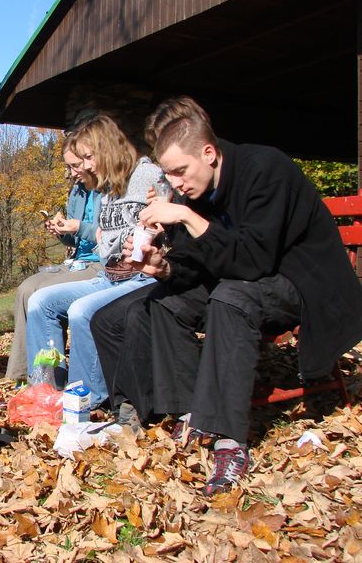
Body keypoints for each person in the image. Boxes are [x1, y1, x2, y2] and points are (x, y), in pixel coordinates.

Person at [92, 97, 362, 495]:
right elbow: (193, 262)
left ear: (209, 153)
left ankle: (229, 441)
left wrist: (185, 216)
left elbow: (253, 260)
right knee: (167, 301)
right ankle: (191, 413)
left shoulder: (265, 170)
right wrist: (163, 267)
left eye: (181, 172)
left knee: (231, 298)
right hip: (248, 279)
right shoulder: (194, 193)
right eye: (171, 175)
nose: (177, 184)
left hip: (303, 281)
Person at [24, 115, 164, 407]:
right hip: (109, 276)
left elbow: (157, 227)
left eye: (89, 157)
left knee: (80, 310)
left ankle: (84, 399)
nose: (85, 165)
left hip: (141, 278)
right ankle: (47, 391)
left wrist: (124, 238)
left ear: (110, 148)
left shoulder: (147, 177)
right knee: (40, 301)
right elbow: (105, 242)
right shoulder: (108, 188)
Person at [5, 132, 104, 381]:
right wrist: (61, 232)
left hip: (98, 264)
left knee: (41, 296)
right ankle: (23, 373)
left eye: (75, 166)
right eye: (68, 166)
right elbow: (75, 240)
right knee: (26, 288)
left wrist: (77, 226)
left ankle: (50, 379)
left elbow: (109, 235)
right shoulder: (78, 192)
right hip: (76, 262)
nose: (71, 173)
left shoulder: (109, 190)